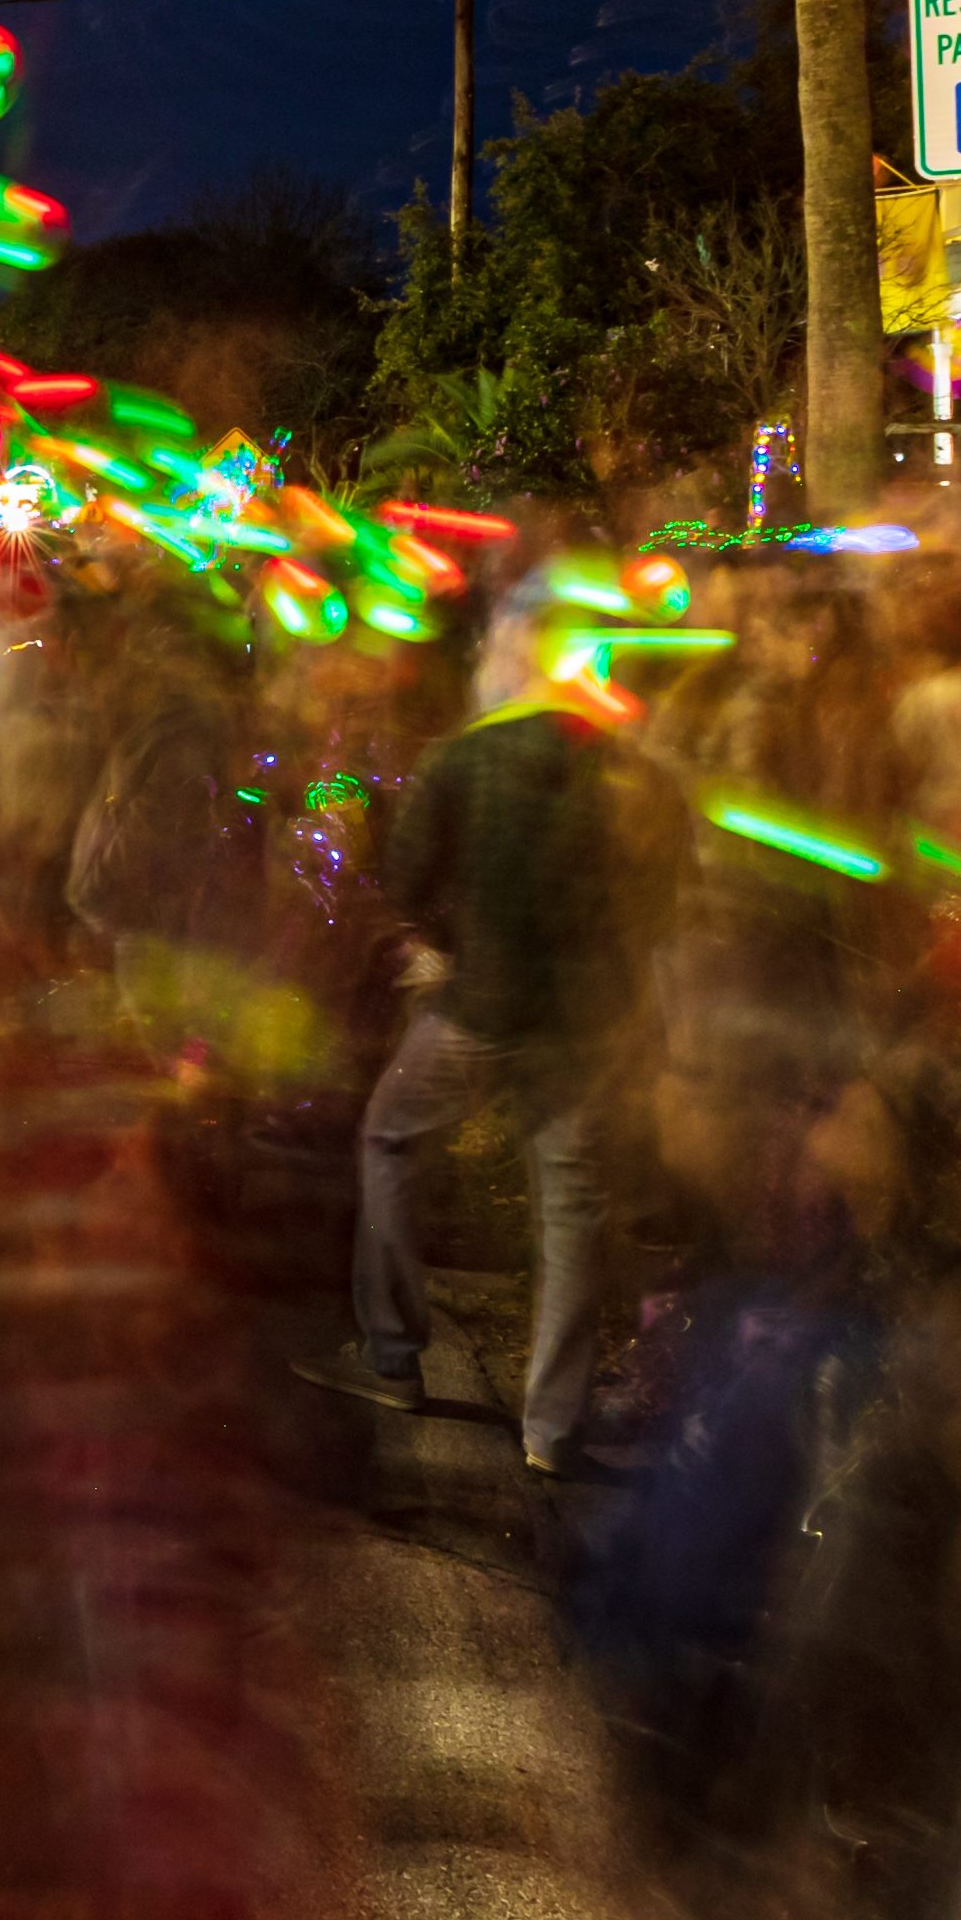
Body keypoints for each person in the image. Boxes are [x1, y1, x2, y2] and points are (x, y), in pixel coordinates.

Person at [323, 579, 638, 1469]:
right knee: (571, 1210)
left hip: (480, 1006)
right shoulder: (622, 763)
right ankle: (552, 1429)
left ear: (517, 651)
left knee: (389, 1144)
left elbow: (407, 881)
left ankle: (391, 1359)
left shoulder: (467, 757)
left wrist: (441, 950)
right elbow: (657, 892)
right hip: (585, 1020)